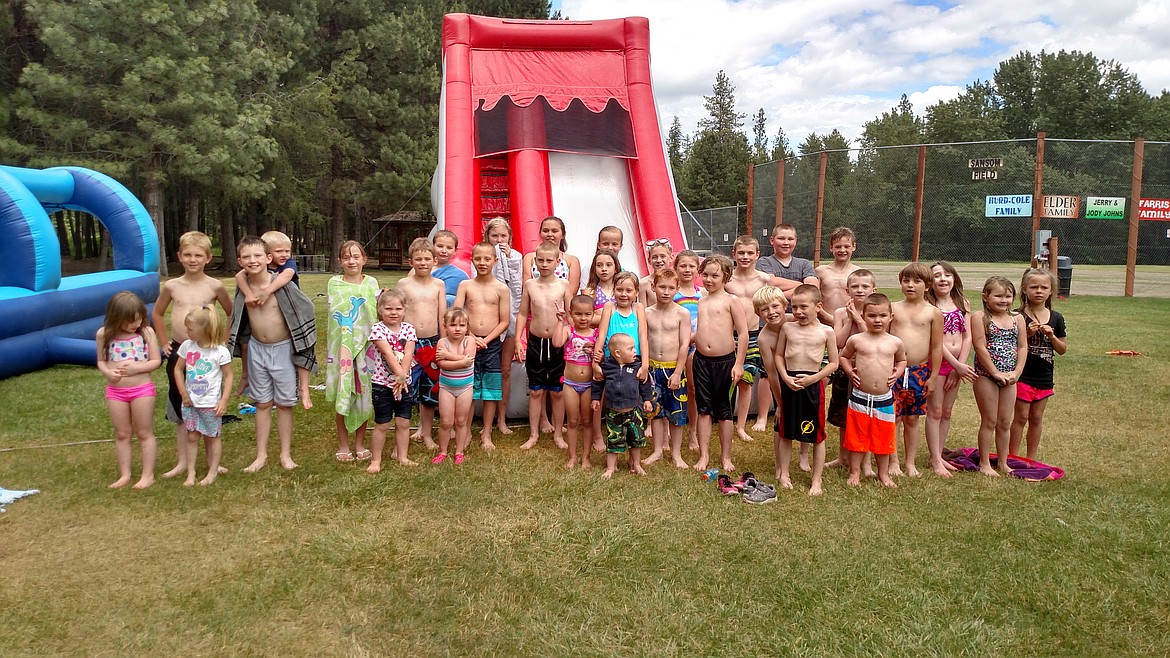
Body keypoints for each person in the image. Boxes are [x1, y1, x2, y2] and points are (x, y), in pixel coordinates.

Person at [227, 235, 318, 473]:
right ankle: (261, 455)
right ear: (239, 260)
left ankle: (285, 454)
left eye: (258, 256)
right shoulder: (242, 284)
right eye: (246, 257)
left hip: (283, 350)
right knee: (262, 403)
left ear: (268, 258)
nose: (252, 260)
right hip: (258, 349)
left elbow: (305, 309)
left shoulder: (281, 284)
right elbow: (239, 315)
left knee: (285, 405)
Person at [153, 231, 232, 480]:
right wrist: (164, 341)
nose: (192, 259)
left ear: (208, 258)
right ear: (179, 256)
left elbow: (231, 313)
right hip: (180, 350)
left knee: (207, 406)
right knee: (182, 407)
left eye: (198, 255)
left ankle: (212, 463)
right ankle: (183, 462)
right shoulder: (172, 286)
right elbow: (157, 314)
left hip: (207, 354)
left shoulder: (215, 286)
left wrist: (223, 340)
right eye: (187, 254)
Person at [774, 285, 838, 495]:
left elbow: (833, 364)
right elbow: (779, 356)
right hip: (789, 382)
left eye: (804, 307)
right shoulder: (787, 328)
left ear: (818, 307)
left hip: (812, 386)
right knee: (786, 431)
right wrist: (784, 376)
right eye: (794, 307)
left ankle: (816, 480)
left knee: (816, 434)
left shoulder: (826, 331)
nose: (799, 312)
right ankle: (784, 473)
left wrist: (814, 379)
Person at [839, 293, 906, 488]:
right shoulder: (856, 339)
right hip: (860, 397)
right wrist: (851, 372)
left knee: (883, 438)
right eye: (872, 316)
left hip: (884, 399)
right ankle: (855, 472)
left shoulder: (895, 342)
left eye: (882, 316)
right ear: (863, 315)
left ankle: (883, 474)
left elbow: (902, 360)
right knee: (857, 437)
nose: (877, 320)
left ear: (890, 317)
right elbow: (844, 356)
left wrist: (898, 372)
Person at [97, 292, 162, 489]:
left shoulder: (146, 333)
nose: (135, 324)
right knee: (122, 433)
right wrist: (108, 372)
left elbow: (156, 361)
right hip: (116, 392)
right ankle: (125, 474)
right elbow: (101, 361)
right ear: (116, 318)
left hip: (142, 389)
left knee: (144, 432)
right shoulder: (104, 334)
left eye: (139, 319)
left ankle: (147, 474)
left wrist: (137, 369)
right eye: (129, 321)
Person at [692, 254, 748, 473]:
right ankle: (704, 455)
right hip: (701, 361)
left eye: (714, 276)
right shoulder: (702, 300)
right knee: (703, 408)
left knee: (724, 410)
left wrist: (739, 364)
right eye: (705, 274)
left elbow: (742, 334)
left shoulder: (731, 301)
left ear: (726, 276)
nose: (708, 279)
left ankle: (726, 456)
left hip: (725, 362)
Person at [516, 241, 573, 449]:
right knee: (536, 390)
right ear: (535, 261)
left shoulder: (564, 286)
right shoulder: (530, 285)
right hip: (536, 342)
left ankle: (558, 434)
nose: (545, 264)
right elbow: (523, 313)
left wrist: (572, 336)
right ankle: (533, 434)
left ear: (558, 262)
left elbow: (571, 315)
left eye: (549, 260)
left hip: (558, 342)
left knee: (558, 391)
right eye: (540, 260)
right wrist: (517, 340)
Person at [326, 240, 379, 463]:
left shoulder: (372, 283)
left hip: (366, 348)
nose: (352, 261)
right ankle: (343, 444)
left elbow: (375, 312)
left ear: (364, 259)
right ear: (340, 261)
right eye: (346, 257)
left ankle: (359, 443)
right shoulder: (334, 283)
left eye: (356, 256)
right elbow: (335, 314)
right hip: (342, 350)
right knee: (344, 392)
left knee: (363, 395)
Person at [889, 262, 943, 478]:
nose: (910, 285)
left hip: (919, 372)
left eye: (917, 281)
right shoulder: (893, 308)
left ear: (928, 286)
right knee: (894, 417)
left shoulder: (933, 313)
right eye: (906, 281)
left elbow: (937, 347)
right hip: (894, 371)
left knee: (912, 418)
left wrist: (933, 377)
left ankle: (910, 463)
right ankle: (893, 461)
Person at [455, 241, 510, 450]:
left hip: (492, 343)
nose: (482, 262)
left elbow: (504, 321)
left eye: (487, 258)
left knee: (490, 390)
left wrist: (486, 340)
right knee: (468, 388)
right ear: (472, 260)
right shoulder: (466, 285)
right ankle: (466, 430)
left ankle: (486, 433)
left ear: (495, 261)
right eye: (478, 258)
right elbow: (457, 313)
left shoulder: (501, 289)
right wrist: (470, 336)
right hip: (468, 341)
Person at [971, 276, 1028, 476]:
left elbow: (1022, 346)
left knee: (1005, 421)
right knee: (989, 420)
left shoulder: (1017, 318)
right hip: (986, 375)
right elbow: (980, 347)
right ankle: (985, 463)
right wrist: (994, 372)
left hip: (1010, 377)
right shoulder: (980, 317)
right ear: (985, 297)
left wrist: (1017, 372)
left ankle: (1003, 462)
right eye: (998, 296)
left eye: (1008, 296)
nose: (1004, 300)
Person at [1010, 268, 1067, 460]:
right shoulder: (1016, 316)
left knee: (1036, 418)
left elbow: (1062, 349)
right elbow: (1009, 345)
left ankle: (1031, 458)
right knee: (1021, 417)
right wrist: (1028, 334)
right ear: (1024, 289)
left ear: (1051, 291)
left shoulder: (1056, 318)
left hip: (1044, 375)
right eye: (1034, 287)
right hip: (1022, 373)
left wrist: (1051, 336)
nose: (1039, 291)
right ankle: (1013, 457)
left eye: (1044, 287)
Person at [396, 237, 447, 451]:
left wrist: (443, 342)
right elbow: (396, 313)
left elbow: (442, 314)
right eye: (418, 259)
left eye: (427, 259)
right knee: (405, 389)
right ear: (411, 262)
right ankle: (401, 438)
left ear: (434, 261)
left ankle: (427, 434)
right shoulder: (403, 284)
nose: (423, 263)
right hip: (408, 342)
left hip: (432, 342)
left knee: (428, 391)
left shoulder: (438, 285)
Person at [173, 305, 233, 486]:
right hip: (191, 402)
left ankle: (212, 472)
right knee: (192, 437)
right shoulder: (187, 347)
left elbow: (229, 376)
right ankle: (191, 473)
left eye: (190, 329)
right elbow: (177, 369)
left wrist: (223, 400)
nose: (186, 332)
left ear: (204, 330)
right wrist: (183, 393)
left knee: (213, 436)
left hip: (211, 404)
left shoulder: (220, 351)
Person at [925, 261, 974, 477]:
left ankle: (940, 455)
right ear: (930, 282)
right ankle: (935, 460)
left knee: (946, 411)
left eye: (947, 275)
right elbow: (934, 340)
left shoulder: (962, 302)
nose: (943, 279)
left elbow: (967, 335)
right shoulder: (930, 305)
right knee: (935, 411)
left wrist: (960, 365)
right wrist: (955, 365)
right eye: (937, 276)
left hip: (957, 365)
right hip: (938, 363)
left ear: (954, 279)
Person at [825, 269, 876, 475]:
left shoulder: (877, 311)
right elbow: (837, 341)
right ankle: (842, 456)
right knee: (843, 415)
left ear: (874, 289)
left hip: (869, 371)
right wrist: (850, 320)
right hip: (844, 371)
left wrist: (860, 319)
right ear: (847, 290)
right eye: (855, 286)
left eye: (865, 286)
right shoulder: (839, 313)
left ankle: (866, 463)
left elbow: (874, 338)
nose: (860, 290)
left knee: (867, 416)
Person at [726, 235, 774, 441]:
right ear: (734, 254)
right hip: (728, 335)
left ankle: (741, 426)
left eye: (749, 253)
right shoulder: (726, 279)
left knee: (746, 380)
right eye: (741, 253)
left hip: (754, 335)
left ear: (757, 255)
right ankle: (723, 418)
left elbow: (789, 289)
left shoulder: (763, 279)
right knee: (725, 380)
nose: (745, 257)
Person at [643, 268, 691, 468]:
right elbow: (644, 340)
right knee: (655, 411)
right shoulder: (646, 313)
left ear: (677, 289)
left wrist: (678, 371)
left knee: (676, 413)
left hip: (674, 369)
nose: (665, 291)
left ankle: (677, 453)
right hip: (653, 369)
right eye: (661, 287)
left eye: (671, 288)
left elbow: (684, 344)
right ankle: (657, 450)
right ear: (653, 287)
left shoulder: (682, 313)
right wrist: (645, 367)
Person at [366, 289, 418, 471]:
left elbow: (409, 353)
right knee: (382, 424)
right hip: (383, 385)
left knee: (403, 422)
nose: (393, 313)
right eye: (388, 308)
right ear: (380, 309)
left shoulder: (409, 329)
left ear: (404, 310)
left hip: (404, 385)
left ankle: (402, 456)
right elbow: (387, 353)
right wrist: (400, 376)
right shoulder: (377, 329)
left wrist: (403, 378)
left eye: (398, 308)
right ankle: (376, 460)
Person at [591, 333, 654, 479]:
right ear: (618, 353)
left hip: (633, 411)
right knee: (613, 440)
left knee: (635, 440)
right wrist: (595, 398)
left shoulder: (637, 366)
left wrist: (647, 400)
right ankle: (610, 467)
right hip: (613, 412)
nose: (634, 352)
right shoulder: (606, 367)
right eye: (631, 349)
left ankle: (636, 464)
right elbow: (598, 382)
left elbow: (644, 384)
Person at [484, 218, 523, 436]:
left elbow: (517, 290)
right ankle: (484, 416)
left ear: (510, 238)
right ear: (487, 238)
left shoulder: (516, 257)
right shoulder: (481, 257)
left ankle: (502, 418)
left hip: (510, 318)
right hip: (488, 320)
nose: (499, 241)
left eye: (503, 236)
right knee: (487, 370)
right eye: (494, 236)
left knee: (505, 370)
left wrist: (510, 261)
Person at [556, 294, 599, 469]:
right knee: (573, 421)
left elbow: (601, 356)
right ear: (571, 314)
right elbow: (557, 343)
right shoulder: (568, 331)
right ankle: (572, 457)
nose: (583, 318)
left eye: (587, 314)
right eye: (578, 314)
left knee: (587, 421)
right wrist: (560, 322)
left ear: (593, 314)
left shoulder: (596, 334)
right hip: (570, 384)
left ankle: (586, 458)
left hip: (589, 384)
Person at [751, 285, 787, 479]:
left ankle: (804, 456)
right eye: (764, 309)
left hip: (801, 378)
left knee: (804, 418)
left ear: (784, 305)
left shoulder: (793, 323)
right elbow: (771, 374)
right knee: (780, 422)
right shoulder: (764, 338)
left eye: (775, 307)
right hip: (780, 381)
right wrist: (780, 404)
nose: (771, 312)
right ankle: (780, 464)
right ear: (758, 313)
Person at [434, 307, 477, 465]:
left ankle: (459, 451)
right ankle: (443, 451)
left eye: (462, 325)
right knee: (446, 421)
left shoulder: (470, 340)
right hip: (447, 387)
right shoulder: (442, 342)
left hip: (465, 387)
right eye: (453, 325)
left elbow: (469, 360)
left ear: (467, 327)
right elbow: (443, 365)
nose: (457, 329)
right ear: (445, 326)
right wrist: (460, 361)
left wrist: (449, 356)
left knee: (461, 421)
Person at [673, 249, 704, 451]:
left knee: (692, 390)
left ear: (697, 269)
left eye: (691, 266)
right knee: (673, 386)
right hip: (674, 346)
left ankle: (692, 431)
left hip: (695, 347)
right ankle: (669, 426)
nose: (687, 269)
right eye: (682, 266)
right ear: (675, 268)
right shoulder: (671, 293)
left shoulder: (703, 294)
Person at [593, 271, 649, 376]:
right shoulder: (609, 307)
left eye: (628, 290)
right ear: (613, 290)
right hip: (611, 360)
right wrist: (595, 364)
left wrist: (645, 366)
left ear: (636, 292)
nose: (624, 294)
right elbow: (601, 336)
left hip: (633, 360)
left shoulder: (638, 308)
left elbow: (643, 337)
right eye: (619, 290)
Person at [234, 230, 299, 310]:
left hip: (290, 303)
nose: (284, 255)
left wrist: (267, 292)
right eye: (279, 251)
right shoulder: (262, 264)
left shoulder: (289, 263)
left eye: (287, 251)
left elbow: (287, 275)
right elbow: (239, 276)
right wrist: (248, 294)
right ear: (267, 254)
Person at [756, 223, 819, 296]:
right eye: (781, 238)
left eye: (790, 239)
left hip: (799, 307)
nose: (786, 243)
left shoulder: (805, 264)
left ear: (795, 241)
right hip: (773, 307)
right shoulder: (764, 262)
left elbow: (812, 289)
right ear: (772, 240)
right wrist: (802, 286)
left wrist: (779, 297)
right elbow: (770, 282)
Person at [814, 227, 860, 326]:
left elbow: (865, 303)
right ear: (831, 247)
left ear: (853, 247)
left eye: (846, 246)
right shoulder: (821, 271)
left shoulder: (858, 272)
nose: (842, 250)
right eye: (838, 247)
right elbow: (813, 300)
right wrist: (828, 318)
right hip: (823, 324)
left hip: (849, 324)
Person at [583, 249, 620, 328]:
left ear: (616, 268)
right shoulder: (590, 292)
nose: (604, 269)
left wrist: (602, 314)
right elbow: (586, 319)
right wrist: (614, 315)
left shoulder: (621, 290)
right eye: (599, 265)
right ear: (595, 269)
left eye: (608, 265)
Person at [432, 229, 469, 308]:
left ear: (455, 251)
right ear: (433, 246)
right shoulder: (420, 269)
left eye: (449, 248)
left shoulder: (460, 276)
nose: (444, 251)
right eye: (440, 246)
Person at [639, 239, 673, 307]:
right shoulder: (643, 284)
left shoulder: (677, 281)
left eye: (662, 256)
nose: (659, 260)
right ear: (649, 260)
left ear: (671, 258)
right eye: (654, 257)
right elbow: (642, 311)